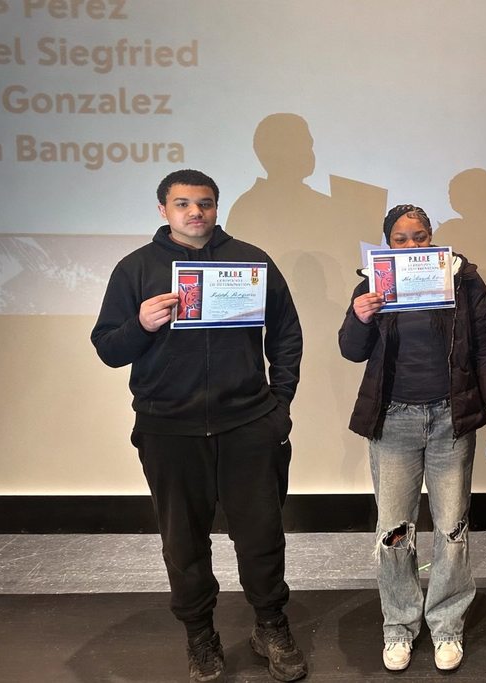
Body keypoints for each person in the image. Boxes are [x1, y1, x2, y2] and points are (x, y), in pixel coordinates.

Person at [91, 169, 306, 682]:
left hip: (248, 426)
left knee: (261, 536)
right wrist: (139, 326)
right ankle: (200, 636)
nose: (195, 213)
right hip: (168, 428)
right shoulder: (135, 269)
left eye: (205, 203)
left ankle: (271, 625)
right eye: (183, 204)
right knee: (183, 542)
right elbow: (107, 348)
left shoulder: (251, 261)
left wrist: (278, 407)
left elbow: (286, 337)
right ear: (163, 210)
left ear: (216, 206)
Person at [338, 204, 486, 673]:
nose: (413, 245)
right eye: (401, 238)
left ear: (433, 238)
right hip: (393, 420)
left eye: (421, 236)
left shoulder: (463, 280)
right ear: (386, 243)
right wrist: (359, 316)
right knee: (394, 531)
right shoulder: (372, 283)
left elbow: (483, 348)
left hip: (450, 417)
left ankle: (446, 624)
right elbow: (351, 350)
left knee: (452, 528)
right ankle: (398, 625)